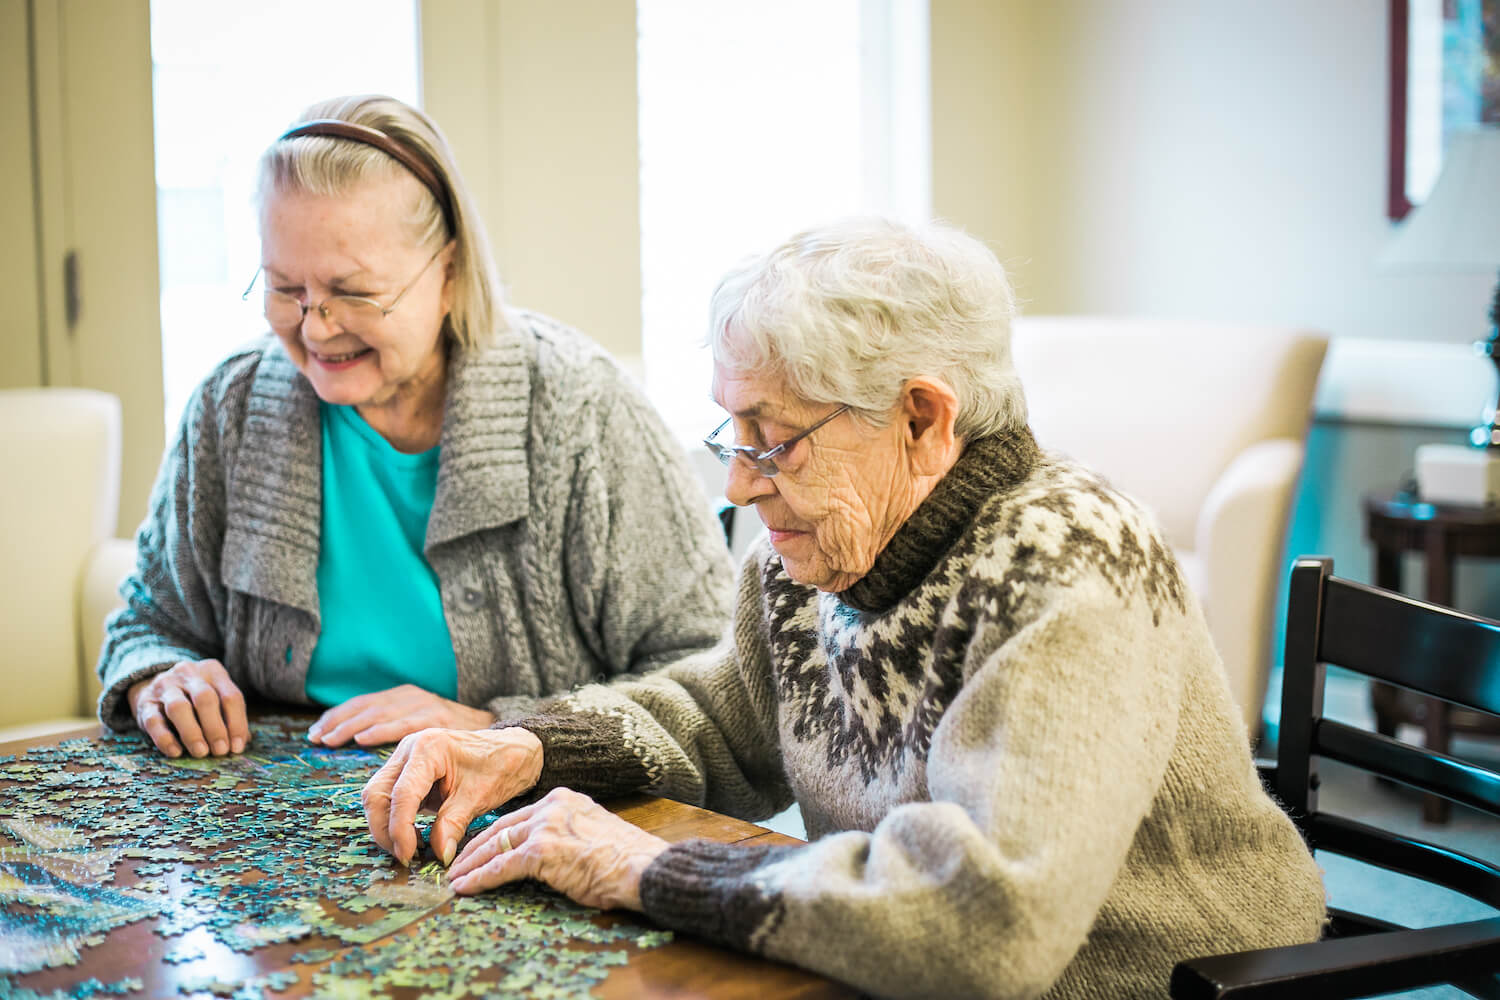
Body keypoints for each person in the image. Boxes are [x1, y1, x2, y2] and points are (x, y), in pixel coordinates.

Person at [360, 218, 1327, 998]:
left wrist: (654, 870)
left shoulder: (1075, 567)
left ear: (921, 418)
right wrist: (530, 744)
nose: (739, 483)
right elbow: (727, 721)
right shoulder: (816, 541)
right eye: (731, 430)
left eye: (771, 437)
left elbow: (986, 922)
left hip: (1171, 980)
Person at [97, 94, 733, 760]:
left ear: (450, 275)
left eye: (354, 292)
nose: (315, 327)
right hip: (273, 828)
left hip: (529, 828)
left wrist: (506, 733)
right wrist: (158, 677)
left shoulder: (583, 411)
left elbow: (715, 688)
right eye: (287, 289)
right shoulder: (230, 407)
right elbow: (149, 623)